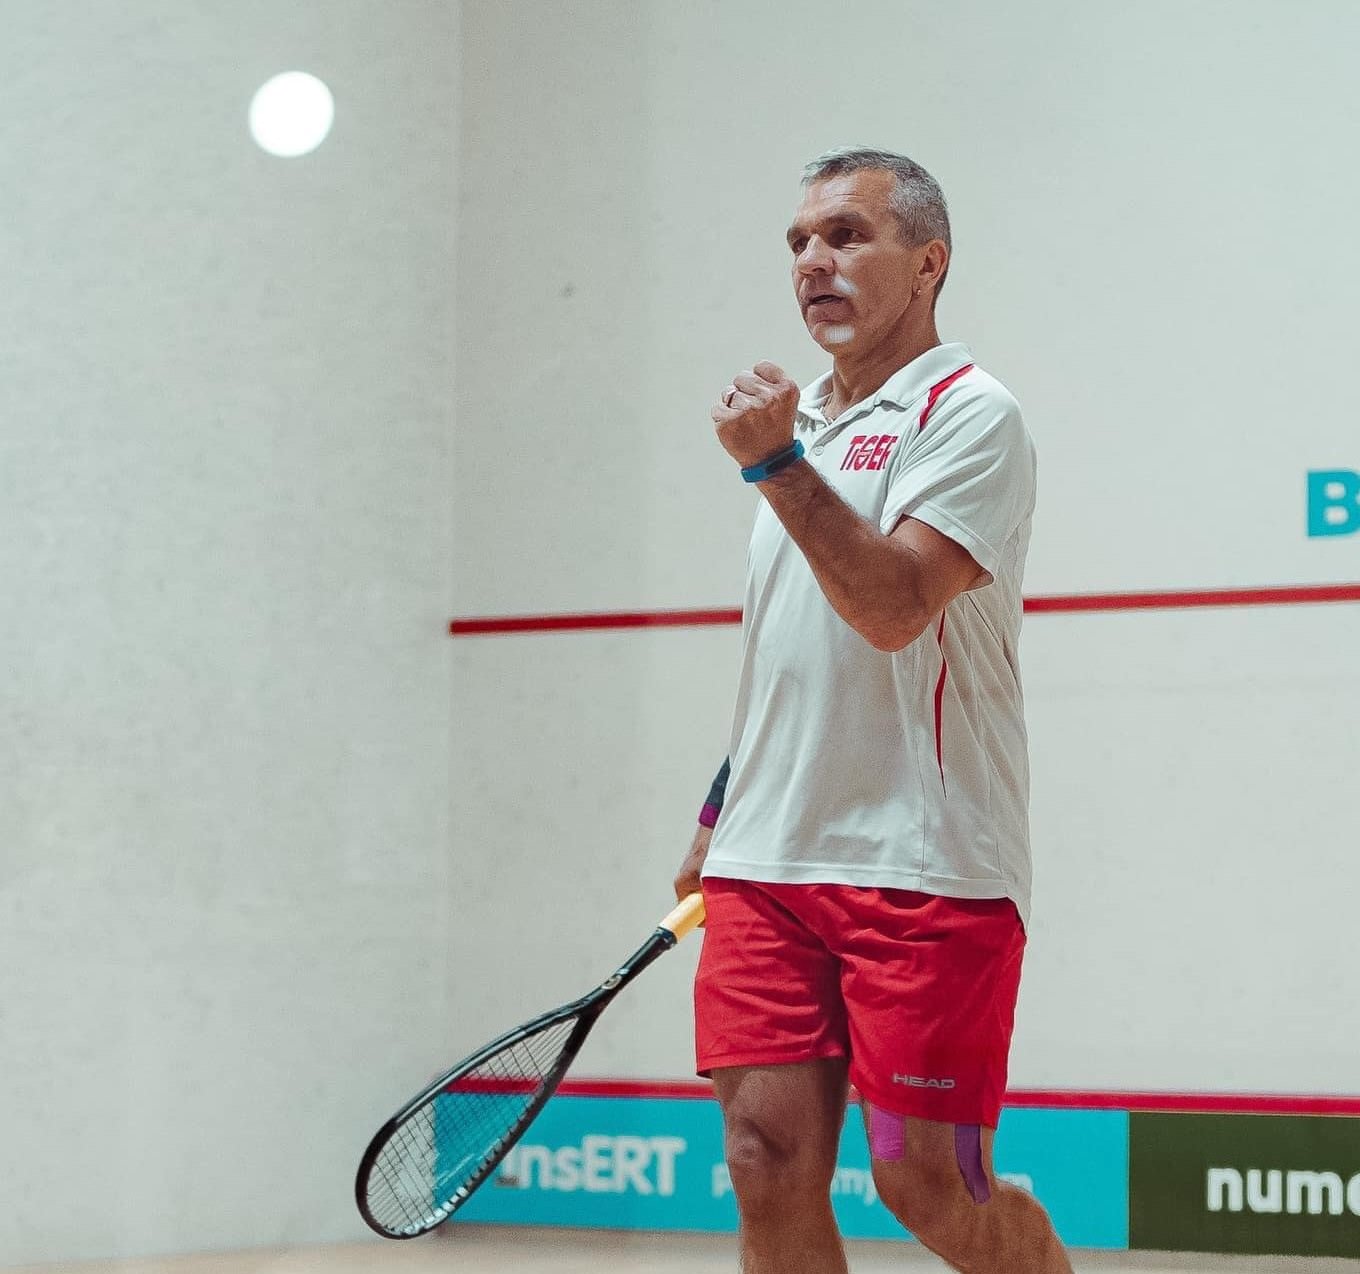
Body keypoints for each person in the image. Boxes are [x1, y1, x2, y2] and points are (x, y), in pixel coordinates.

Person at [673, 148, 1071, 1274]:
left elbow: (892, 608)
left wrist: (776, 466)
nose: (813, 261)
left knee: (926, 1182)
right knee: (761, 1157)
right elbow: (796, 655)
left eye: (846, 235)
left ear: (928, 262)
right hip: (766, 861)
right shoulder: (804, 425)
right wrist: (719, 811)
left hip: (922, 863)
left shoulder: (970, 414)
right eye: (799, 242)